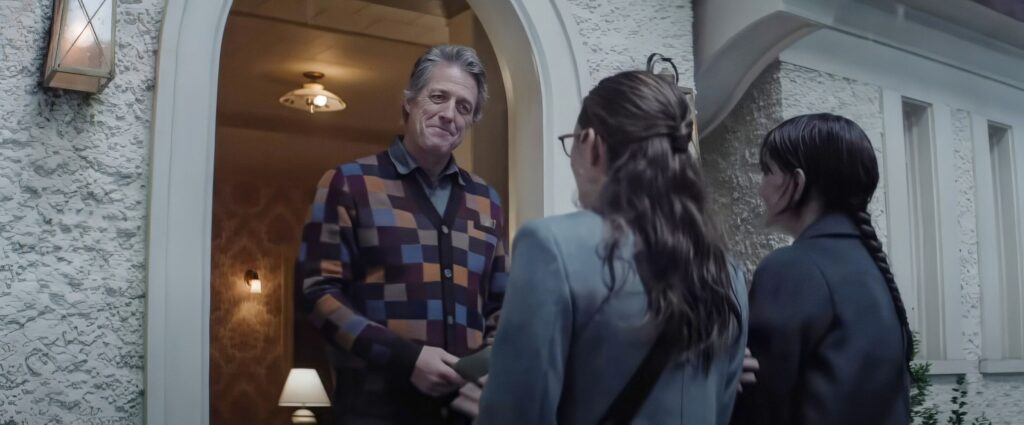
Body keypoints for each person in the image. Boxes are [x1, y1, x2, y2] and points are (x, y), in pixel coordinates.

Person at [475, 70, 748, 425]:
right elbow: (722, 407)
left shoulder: (551, 247)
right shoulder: (726, 270)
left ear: (590, 143)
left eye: (570, 142)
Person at [294, 44, 509, 425]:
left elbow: (501, 305)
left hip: (465, 414)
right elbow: (316, 293)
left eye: (463, 107)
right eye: (438, 97)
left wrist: (491, 368)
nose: (448, 114)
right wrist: (406, 358)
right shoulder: (349, 184)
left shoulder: (485, 202)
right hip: (373, 410)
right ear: (409, 101)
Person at [730, 113, 912, 424]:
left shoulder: (791, 268)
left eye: (767, 172)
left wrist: (718, 379)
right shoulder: (872, 268)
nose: (760, 189)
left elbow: (760, 409)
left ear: (797, 183)